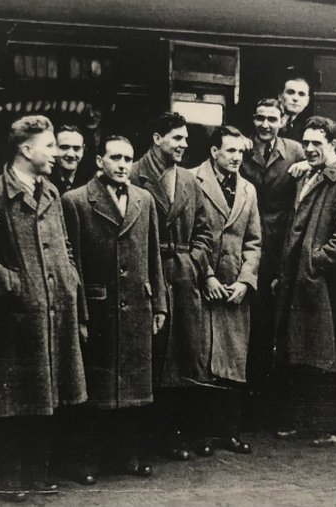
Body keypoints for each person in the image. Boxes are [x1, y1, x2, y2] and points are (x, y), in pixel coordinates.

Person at [0, 115, 88, 499]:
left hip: (54, 309)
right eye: (50, 146)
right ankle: (9, 479)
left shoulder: (49, 191)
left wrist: (68, 279)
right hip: (17, 315)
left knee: (46, 395)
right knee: (15, 400)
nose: (56, 153)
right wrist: (16, 287)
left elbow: (64, 245)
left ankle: (35, 474)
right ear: (26, 149)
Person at [61, 135, 167, 483]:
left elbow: (154, 256)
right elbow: (71, 260)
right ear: (99, 162)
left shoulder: (144, 199)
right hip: (98, 309)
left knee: (134, 388)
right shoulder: (76, 201)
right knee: (96, 388)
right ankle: (85, 460)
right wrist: (80, 314)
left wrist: (159, 305)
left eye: (128, 158)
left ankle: (127, 456)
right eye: (115, 158)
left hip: (138, 306)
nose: (123, 165)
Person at [273, 116, 336, 444]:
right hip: (302, 281)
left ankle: (334, 426)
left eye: (317, 144)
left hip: (328, 284)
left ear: (333, 146)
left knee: (329, 356)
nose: (310, 149)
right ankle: (308, 420)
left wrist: (315, 262)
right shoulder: (309, 174)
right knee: (303, 353)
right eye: (306, 143)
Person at [129, 112, 213, 460]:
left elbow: (205, 231)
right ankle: (143, 440)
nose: (184, 144)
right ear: (156, 137)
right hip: (146, 278)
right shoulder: (133, 174)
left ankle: (173, 436)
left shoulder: (190, 181)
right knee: (147, 359)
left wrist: (192, 261)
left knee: (181, 359)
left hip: (181, 279)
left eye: (186, 139)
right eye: (177, 138)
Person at [190, 125, 261, 456]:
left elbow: (254, 242)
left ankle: (227, 432)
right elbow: (189, 237)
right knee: (203, 360)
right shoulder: (192, 181)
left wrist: (245, 280)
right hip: (203, 288)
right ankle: (201, 433)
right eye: (230, 151)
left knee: (233, 362)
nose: (237, 157)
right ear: (214, 152)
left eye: (240, 152)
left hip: (234, 290)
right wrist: (206, 276)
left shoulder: (248, 189)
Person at [240, 98, 305, 425]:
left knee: (276, 327)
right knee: (251, 326)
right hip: (247, 244)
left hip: (281, 246)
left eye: (272, 119)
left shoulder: (295, 151)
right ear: (254, 119)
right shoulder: (241, 148)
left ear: (282, 120)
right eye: (261, 118)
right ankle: (249, 403)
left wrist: (307, 167)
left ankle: (275, 406)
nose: (266, 125)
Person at [49, 125, 87, 195]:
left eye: (76, 148)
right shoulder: (45, 180)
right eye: (64, 147)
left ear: (83, 149)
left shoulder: (89, 181)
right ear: (54, 147)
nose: (71, 154)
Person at [278, 77, 311, 142]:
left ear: (307, 101)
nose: (295, 98)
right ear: (280, 96)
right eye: (290, 92)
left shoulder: (307, 127)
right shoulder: (267, 118)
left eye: (301, 94)